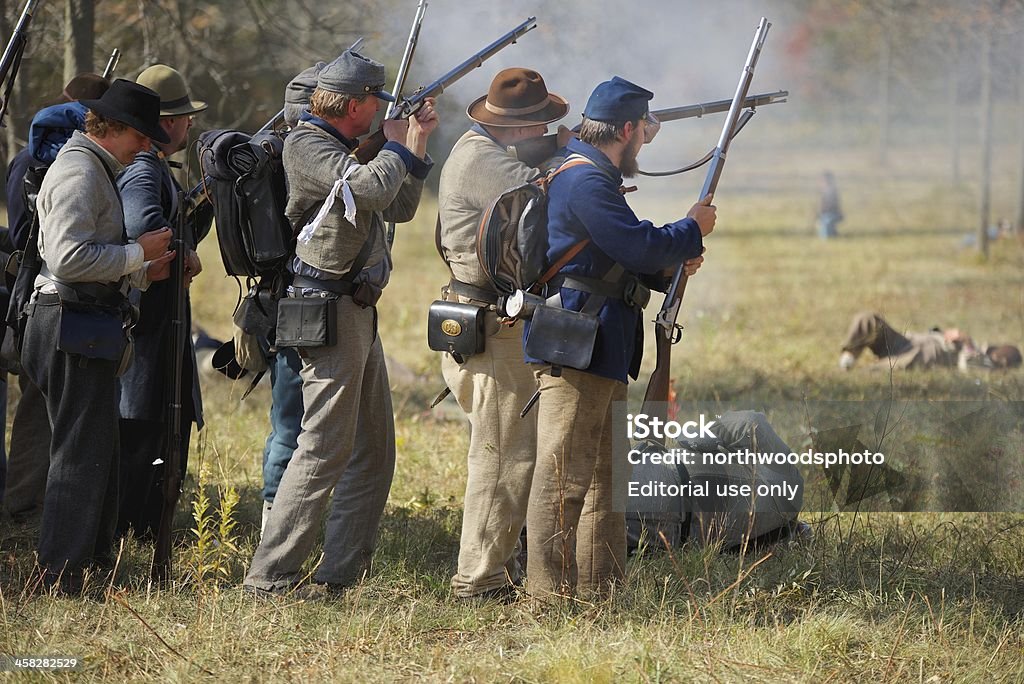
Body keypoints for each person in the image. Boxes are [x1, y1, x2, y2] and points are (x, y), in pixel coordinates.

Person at [243, 50, 438, 596]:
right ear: (353, 104)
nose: (380, 108)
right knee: (323, 448)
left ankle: (339, 576)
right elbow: (371, 189)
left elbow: (396, 207)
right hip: (326, 308)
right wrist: (396, 143)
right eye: (375, 99)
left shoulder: (346, 148)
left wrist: (413, 146)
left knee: (374, 452)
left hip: (355, 308)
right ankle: (268, 578)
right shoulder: (307, 144)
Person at [523, 76, 714, 599]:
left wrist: (672, 259)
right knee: (563, 479)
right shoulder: (585, 178)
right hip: (577, 342)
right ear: (627, 129)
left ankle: (600, 591)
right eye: (642, 132)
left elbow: (614, 257)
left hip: (600, 342)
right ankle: (546, 597)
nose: (643, 143)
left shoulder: (592, 172)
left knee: (604, 481)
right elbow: (635, 246)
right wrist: (690, 229)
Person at [21, 79, 175, 592]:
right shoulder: (80, 171)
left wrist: (137, 271)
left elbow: (87, 257)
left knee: (96, 451)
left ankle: (87, 564)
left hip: (81, 324)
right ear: (119, 129)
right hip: (70, 324)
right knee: (78, 456)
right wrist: (139, 256)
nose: (147, 147)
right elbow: (66, 258)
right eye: (142, 136)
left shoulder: (94, 166)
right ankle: (61, 578)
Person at [436, 67, 572, 600]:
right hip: (490, 323)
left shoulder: (489, 150)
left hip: (490, 317)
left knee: (509, 451)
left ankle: (498, 565)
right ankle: (478, 578)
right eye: (541, 126)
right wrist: (579, 148)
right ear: (521, 128)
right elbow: (550, 198)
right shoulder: (480, 159)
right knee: (502, 457)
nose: (544, 132)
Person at [3, 74, 110, 527]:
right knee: (41, 409)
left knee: (37, 405)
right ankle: (26, 504)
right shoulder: (72, 162)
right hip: (52, 298)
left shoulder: (26, 158)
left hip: (28, 295)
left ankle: (27, 500)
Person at [115, 65, 210, 539]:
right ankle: (135, 530)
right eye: (183, 116)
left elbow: (172, 224)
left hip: (157, 329)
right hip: (147, 329)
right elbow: (143, 233)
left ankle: (143, 524)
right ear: (167, 122)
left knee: (155, 429)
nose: (189, 124)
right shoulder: (144, 169)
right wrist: (183, 250)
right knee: (143, 432)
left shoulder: (155, 168)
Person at [256, 61, 325, 537]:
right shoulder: (303, 155)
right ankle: (274, 527)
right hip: (298, 303)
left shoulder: (275, 153)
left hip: (280, 299)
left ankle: (277, 521)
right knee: (292, 424)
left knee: (289, 422)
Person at [838, 311, 1021, 371]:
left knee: (885, 369)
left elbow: (971, 364)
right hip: (907, 340)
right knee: (868, 319)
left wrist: (966, 341)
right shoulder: (983, 349)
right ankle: (849, 356)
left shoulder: (987, 362)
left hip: (924, 353)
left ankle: (865, 372)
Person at [816, 170, 842, 239]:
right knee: (824, 222)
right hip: (827, 214)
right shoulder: (825, 191)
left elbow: (833, 206)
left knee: (826, 222)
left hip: (832, 214)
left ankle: (827, 239)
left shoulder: (831, 191)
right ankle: (831, 237)